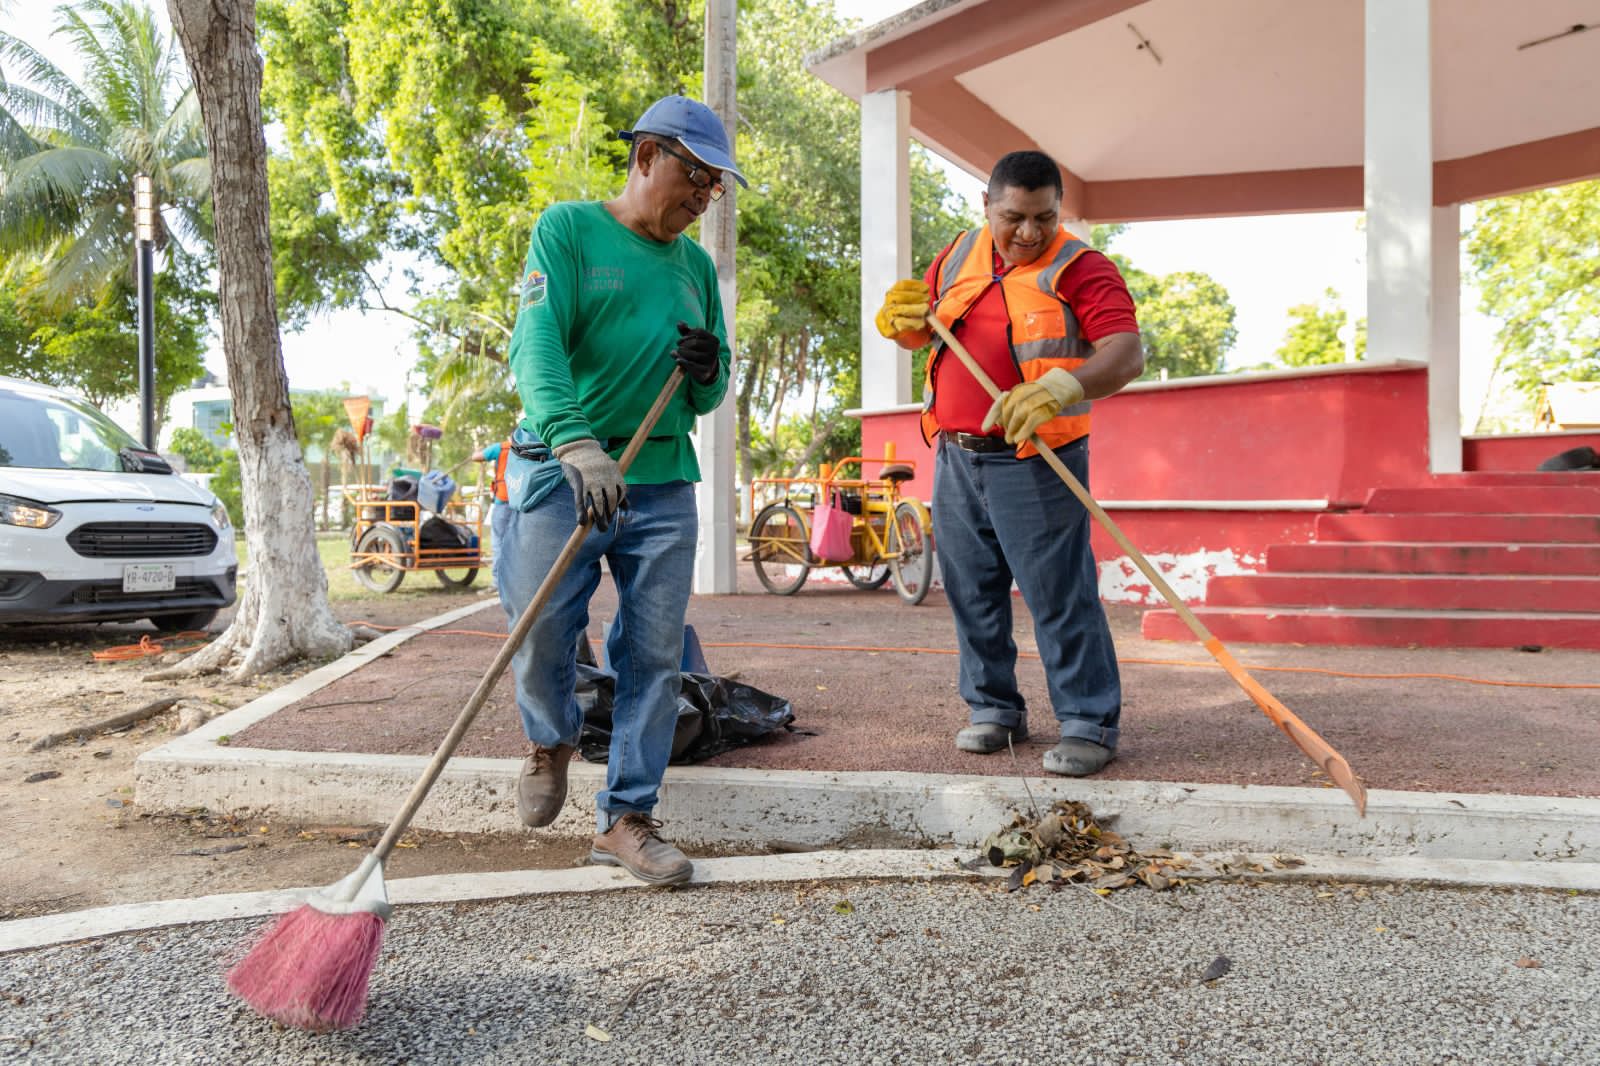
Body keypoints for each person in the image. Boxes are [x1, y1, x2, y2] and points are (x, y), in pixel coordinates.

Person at [499, 94, 744, 884]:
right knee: (539, 632)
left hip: (662, 484)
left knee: (653, 654)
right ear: (645, 156)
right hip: (563, 472)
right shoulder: (569, 230)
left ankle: (626, 816)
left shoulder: (696, 268)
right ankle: (549, 736)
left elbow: (710, 393)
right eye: (695, 176)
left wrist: (710, 372)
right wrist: (575, 441)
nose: (704, 196)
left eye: (715, 185)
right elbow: (536, 345)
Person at [875, 149, 1144, 778]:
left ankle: (1087, 722)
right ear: (987, 207)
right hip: (956, 454)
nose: (1029, 233)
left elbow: (1126, 354)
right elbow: (935, 332)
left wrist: (1063, 387)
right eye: (1014, 217)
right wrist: (903, 326)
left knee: (1059, 594)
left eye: (1044, 218)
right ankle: (993, 709)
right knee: (971, 592)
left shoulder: (1082, 268)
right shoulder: (958, 255)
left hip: (1037, 458)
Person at [470, 438, 513, 582]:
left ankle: (498, 583)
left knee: (499, 543)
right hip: (522, 503)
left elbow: (476, 457)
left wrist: (477, 451)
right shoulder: (528, 447)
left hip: (503, 500)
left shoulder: (501, 447)